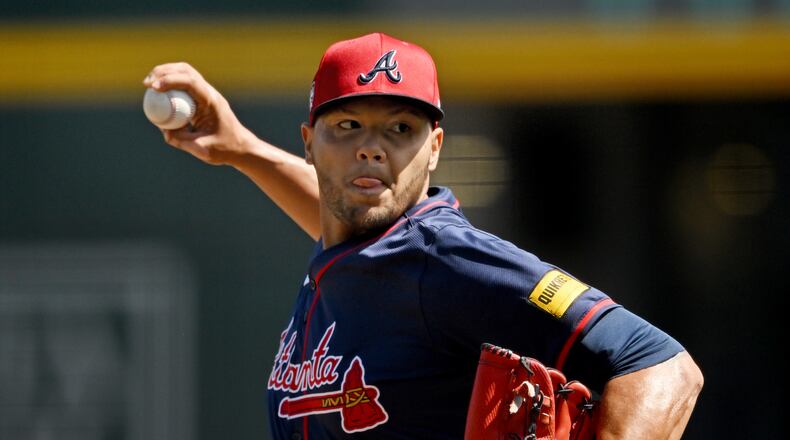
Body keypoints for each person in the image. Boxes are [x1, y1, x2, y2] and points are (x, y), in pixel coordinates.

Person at [143, 32, 703, 439]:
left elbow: (660, 364)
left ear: (434, 148)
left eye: (400, 128)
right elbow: (348, 227)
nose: (372, 146)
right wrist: (244, 149)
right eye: (348, 125)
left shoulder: (449, 260)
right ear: (309, 142)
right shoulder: (361, 249)